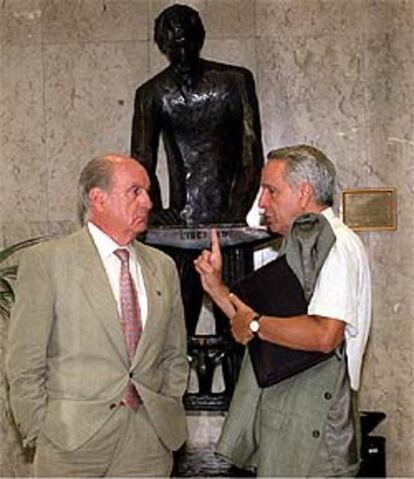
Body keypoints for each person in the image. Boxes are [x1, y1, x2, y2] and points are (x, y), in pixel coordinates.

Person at [6, 154, 188, 477]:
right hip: (69, 444)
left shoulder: (163, 267)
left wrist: (164, 406)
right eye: (135, 191)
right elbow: (25, 360)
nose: (147, 202)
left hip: (148, 442)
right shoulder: (47, 262)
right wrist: (41, 431)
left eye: (147, 192)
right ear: (98, 198)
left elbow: (174, 354)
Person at [194, 145, 372, 477]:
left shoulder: (335, 245)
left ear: (303, 193)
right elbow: (255, 323)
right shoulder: (304, 247)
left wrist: (258, 325)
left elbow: (324, 335)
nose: (262, 202)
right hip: (293, 425)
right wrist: (216, 287)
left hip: (315, 433)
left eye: (271, 191)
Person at [131, 3, 264, 337]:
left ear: (200, 38)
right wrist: (158, 211)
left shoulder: (235, 82)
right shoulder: (151, 94)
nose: (183, 51)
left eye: (189, 41)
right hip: (180, 226)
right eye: (174, 45)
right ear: (162, 46)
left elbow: (251, 155)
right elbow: (142, 163)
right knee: (176, 332)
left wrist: (233, 215)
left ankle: (241, 389)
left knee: (238, 328)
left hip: (229, 223)